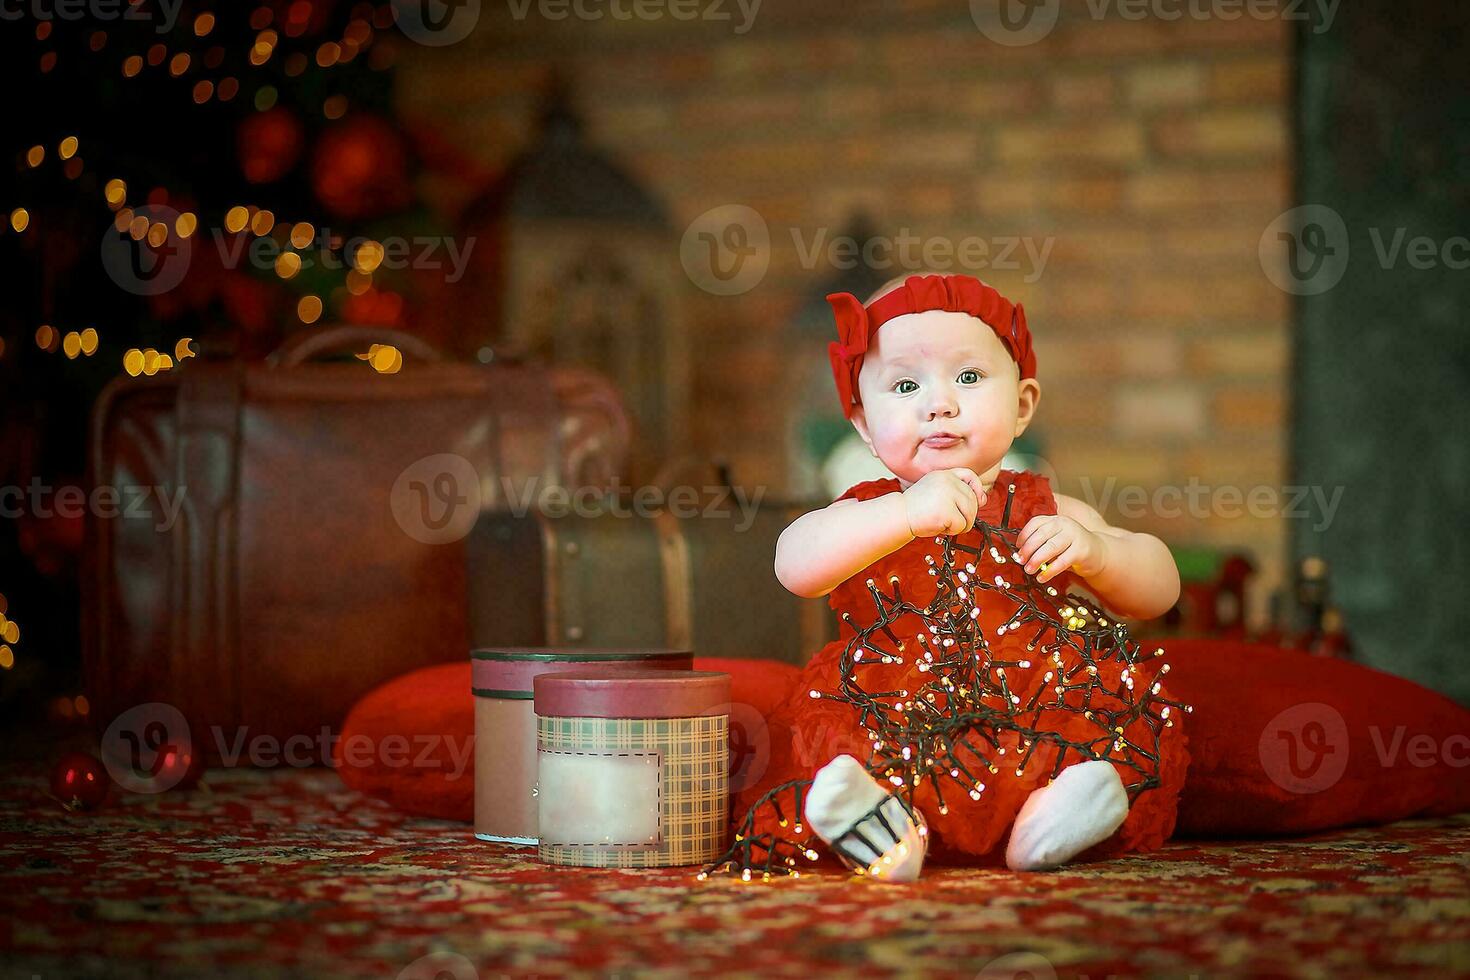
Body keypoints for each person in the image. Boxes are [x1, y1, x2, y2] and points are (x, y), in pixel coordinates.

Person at [735, 272, 1191, 878]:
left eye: (969, 377)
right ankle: (888, 830)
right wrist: (903, 513)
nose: (939, 403)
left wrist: (1097, 553)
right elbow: (793, 563)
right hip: (899, 708)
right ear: (866, 425)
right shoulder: (868, 510)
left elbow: (1160, 587)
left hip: (1028, 704)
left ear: (1023, 405)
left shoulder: (1042, 508)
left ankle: (1060, 814)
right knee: (852, 749)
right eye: (904, 384)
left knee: (1097, 727)